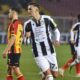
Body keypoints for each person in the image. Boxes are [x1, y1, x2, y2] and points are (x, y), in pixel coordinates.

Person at [24, 2, 60, 80]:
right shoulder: (27, 24)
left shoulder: (47, 19)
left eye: (30, 9)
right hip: (38, 53)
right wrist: (27, 38)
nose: (28, 11)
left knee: (55, 75)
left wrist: (57, 40)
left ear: (36, 10)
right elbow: (26, 43)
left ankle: (44, 75)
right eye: (28, 9)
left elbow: (56, 31)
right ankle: (46, 73)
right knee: (50, 76)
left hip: (50, 51)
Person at [2, 8, 25, 80]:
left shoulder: (14, 24)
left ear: (13, 14)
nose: (8, 14)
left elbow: (13, 38)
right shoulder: (19, 24)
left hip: (14, 51)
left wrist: (5, 50)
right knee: (9, 71)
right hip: (14, 50)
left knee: (16, 71)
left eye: (9, 13)